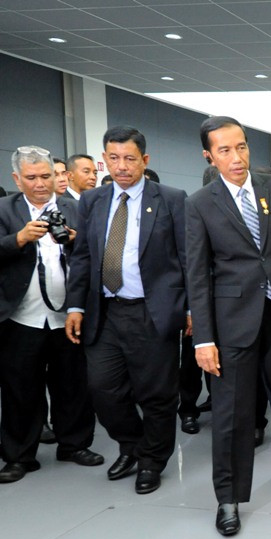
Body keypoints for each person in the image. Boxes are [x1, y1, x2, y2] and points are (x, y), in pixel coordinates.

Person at [186, 116, 271, 536]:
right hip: (230, 325)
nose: (236, 157)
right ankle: (229, 497)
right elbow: (198, 274)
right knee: (231, 415)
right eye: (224, 150)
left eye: (241, 146)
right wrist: (203, 338)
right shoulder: (200, 203)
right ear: (209, 155)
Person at [65, 126, 188, 495]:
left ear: (144, 160)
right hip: (104, 312)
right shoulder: (93, 201)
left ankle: (152, 460)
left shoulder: (171, 198)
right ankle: (131, 445)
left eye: (129, 159)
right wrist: (74, 305)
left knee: (156, 394)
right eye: (113, 158)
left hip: (153, 312)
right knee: (103, 388)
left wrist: (194, 310)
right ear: (104, 159)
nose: (121, 166)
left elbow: (188, 259)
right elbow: (84, 256)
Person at [0, 146, 99, 484]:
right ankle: (18, 455)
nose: (41, 184)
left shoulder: (78, 207)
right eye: (32, 178)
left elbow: (96, 254)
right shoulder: (4, 210)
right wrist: (18, 239)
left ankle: (74, 444)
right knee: (19, 388)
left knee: (72, 384)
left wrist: (75, 240)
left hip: (68, 316)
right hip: (20, 316)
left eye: (47, 176)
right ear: (17, 178)